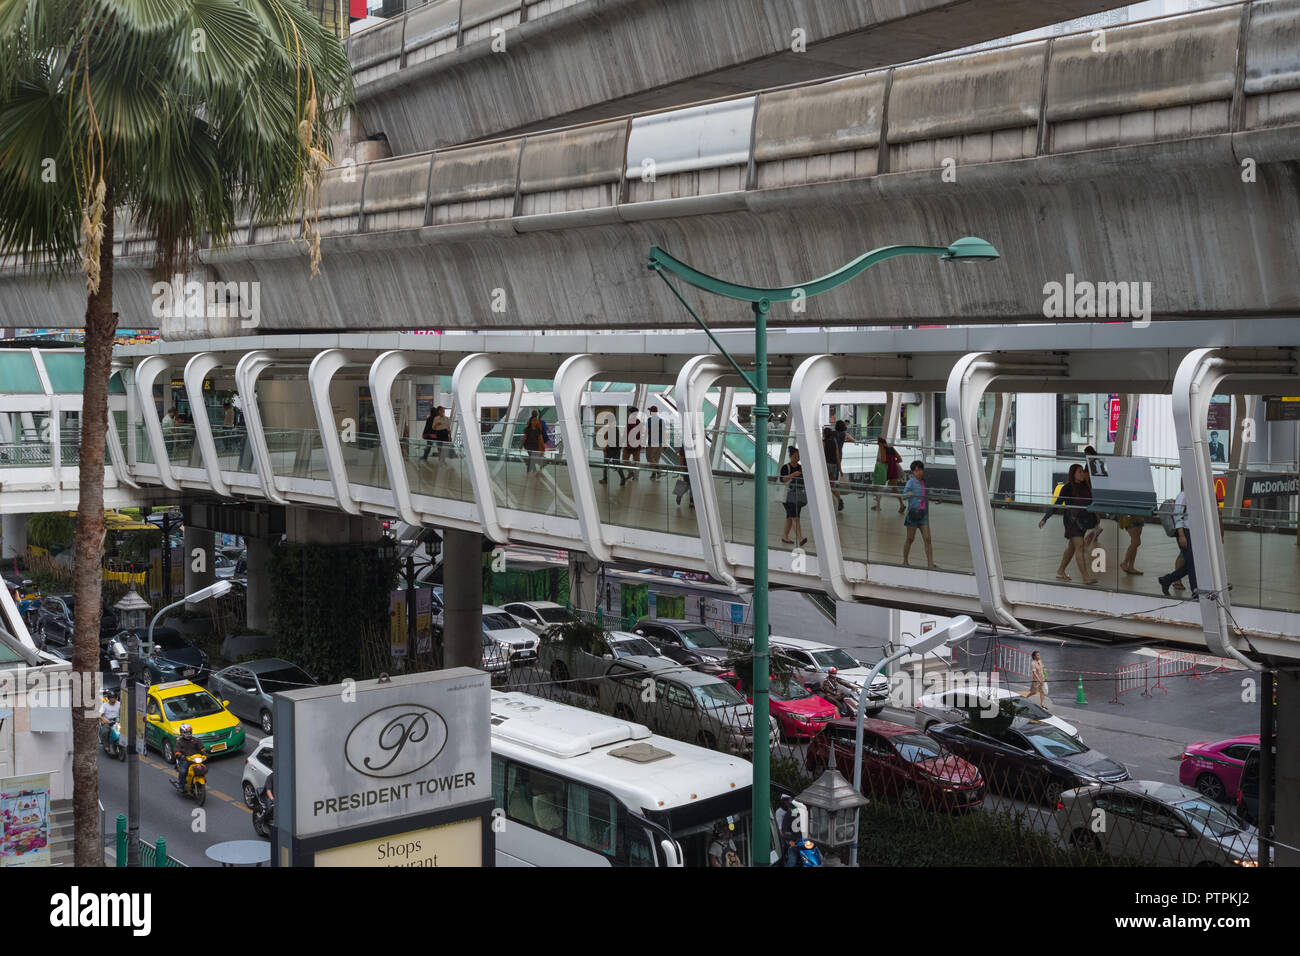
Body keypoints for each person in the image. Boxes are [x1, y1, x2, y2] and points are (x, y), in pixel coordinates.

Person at [1039, 463, 1099, 585]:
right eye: (1080, 472)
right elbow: (1057, 503)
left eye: (1083, 471)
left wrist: (1096, 520)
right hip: (1072, 521)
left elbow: (1091, 504)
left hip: (1083, 521)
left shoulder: (1085, 486)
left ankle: (1061, 570)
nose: (1082, 474)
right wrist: (1045, 518)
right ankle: (1085, 577)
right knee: (1080, 546)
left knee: (1072, 547)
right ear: (1073, 474)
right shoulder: (1067, 488)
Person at [1159, 482, 1198, 598]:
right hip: (1185, 531)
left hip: (1195, 532)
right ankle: (1195, 589)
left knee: (1193, 562)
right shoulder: (1183, 495)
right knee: (1192, 562)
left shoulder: (1195, 495)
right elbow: (1177, 516)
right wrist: (1181, 535)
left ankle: (1167, 579)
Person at [901, 460, 934, 568]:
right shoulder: (910, 482)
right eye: (916, 471)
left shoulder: (925, 482)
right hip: (913, 515)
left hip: (924, 515)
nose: (918, 472)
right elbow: (903, 496)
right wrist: (908, 493)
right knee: (910, 539)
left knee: (928, 539)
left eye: (920, 470)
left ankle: (930, 564)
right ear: (912, 472)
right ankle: (905, 561)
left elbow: (929, 495)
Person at [780, 446, 808, 547]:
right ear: (790, 456)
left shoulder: (801, 467)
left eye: (799, 456)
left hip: (798, 495)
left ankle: (785, 536)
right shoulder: (785, 467)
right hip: (788, 496)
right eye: (795, 456)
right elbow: (782, 480)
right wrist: (793, 474)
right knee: (795, 517)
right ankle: (800, 538)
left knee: (790, 517)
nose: (797, 458)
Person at [872, 437, 904, 513]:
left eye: (878, 443)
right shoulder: (892, 448)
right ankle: (901, 504)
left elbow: (883, 460)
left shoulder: (882, 448)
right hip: (893, 469)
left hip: (885, 470)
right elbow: (900, 459)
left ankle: (878, 505)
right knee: (894, 489)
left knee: (879, 487)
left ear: (880, 443)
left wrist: (879, 460)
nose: (877, 444)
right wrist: (892, 462)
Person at [173, 723, 206, 793]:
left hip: (195, 759)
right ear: (182, 733)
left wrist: (205, 753)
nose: (189, 734)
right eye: (187, 733)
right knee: (183, 771)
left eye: (189, 732)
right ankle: (181, 786)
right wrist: (181, 756)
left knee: (203, 768)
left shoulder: (195, 740)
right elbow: (177, 752)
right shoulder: (180, 742)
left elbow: (202, 748)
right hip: (185, 760)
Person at [823, 426, 845, 512]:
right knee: (831, 486)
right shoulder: (834, 442)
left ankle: (829, 502)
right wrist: (840, 469)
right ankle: (839, 499)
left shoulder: (823, 442)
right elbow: (837, 457)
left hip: (826, 465)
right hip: (834, 466)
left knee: (825, 485)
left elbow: (822, 456)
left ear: (824, 434)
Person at [776, 794, 799, 867]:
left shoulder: (793, 810)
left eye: (789, 800)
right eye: (786, 801)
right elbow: (780, 828)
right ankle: (783, 861)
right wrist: (787, 840)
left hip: (794, 834)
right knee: (784, 849)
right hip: (784, 834)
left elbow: (796, 821)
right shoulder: (779, 812)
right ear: (783, 802)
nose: (788, 802)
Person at [522, 409, 546, 474]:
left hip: (530, 444)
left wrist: (522, 445)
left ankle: (531, 468)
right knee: (533, 457)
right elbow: (540, 434)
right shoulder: (538, 422)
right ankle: (534, 468)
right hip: (533, 443)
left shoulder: (530, 422)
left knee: (532, 457)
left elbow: (526, 435)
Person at [622, 407, 642, 480]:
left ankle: (631, 472)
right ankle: (635, 476)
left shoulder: (630, 421)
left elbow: (626, 433)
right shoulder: (638, 421)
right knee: (637, 460)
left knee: (625, 458)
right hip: (637, 444)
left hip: (629, 445)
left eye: (629, 412)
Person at [645, 405, 665, 479]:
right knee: (656, 459)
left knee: (649, 458)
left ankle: (658, 470)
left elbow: (648, 431)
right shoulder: (661, 420)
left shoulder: (649, 420)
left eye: (650, 410)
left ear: (651, 411)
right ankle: (654, 473)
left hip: (652, 442)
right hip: (660, 443)